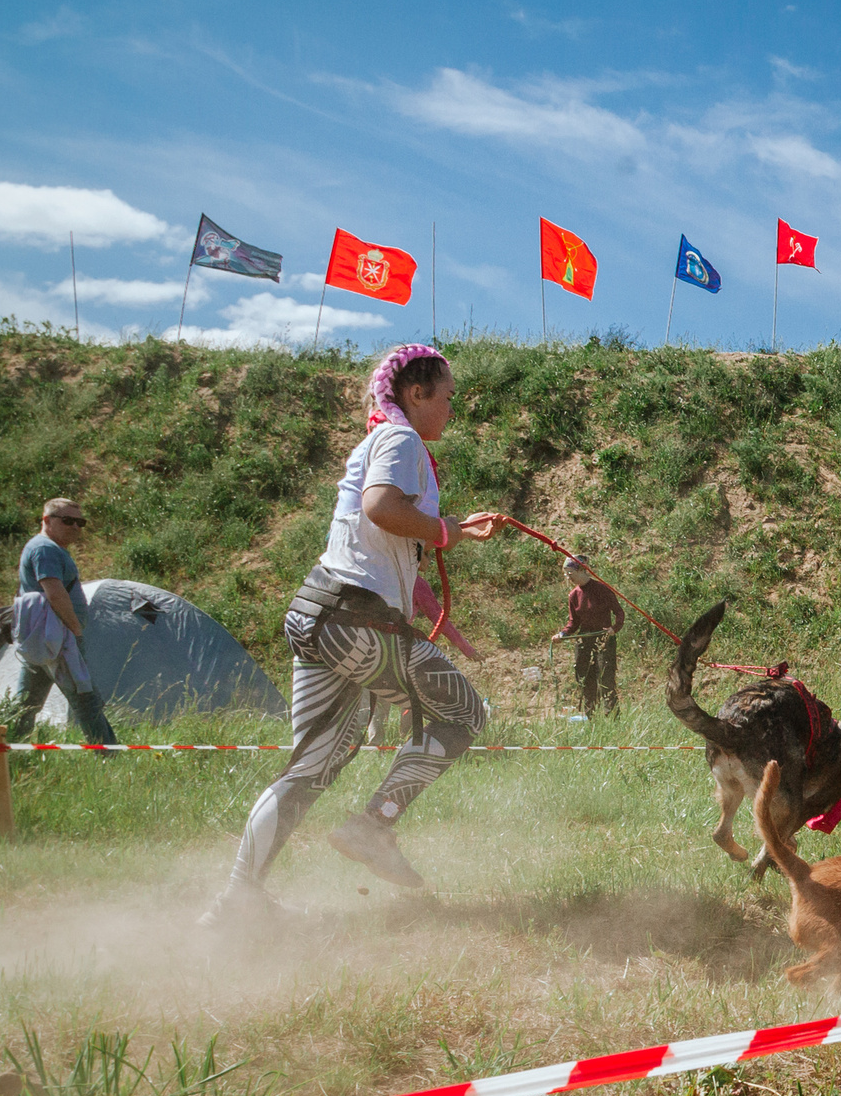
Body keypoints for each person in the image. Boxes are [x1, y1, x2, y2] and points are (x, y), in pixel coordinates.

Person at [203, 345, 501, 926]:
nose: (451, 409)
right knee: (464, 714)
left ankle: (239, 900)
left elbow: (380, 540)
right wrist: (446, 533)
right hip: (355, 622)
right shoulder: (402, 440)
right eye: (447, 397)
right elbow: (383, 508)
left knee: (310, 768)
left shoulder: (378, 441)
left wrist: (448, 540)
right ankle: (373, 826)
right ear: (416, 395)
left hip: (318, 615)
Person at [13, 498, 120, 750]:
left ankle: (10, 752)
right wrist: (76, 628)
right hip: (58, 638)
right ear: (47, 520)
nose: (75, 527)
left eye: (80, 522)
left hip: (45, 638)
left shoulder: (47, 547)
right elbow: (54, 591)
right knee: (84, 698)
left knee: (26, 702)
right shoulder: (45, 549)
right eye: (68, 520)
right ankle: (107, 754)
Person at [553, 555, 621, 716]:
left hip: (604, 639)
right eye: (566, 574)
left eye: (570, 573)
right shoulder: (573, 595)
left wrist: (614, 628)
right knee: (584, 678)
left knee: (605, 679)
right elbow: (573, 623)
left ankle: (612, 716)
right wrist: (562, 634)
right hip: (584, 640)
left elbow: (619, 613)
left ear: (583, 570)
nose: (568, 577)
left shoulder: (602, 590)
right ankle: (591, 715)